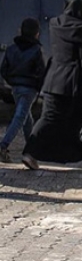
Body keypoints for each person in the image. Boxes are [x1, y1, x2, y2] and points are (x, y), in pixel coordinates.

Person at [22, 0, 82, 170]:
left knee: (48, 118)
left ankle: (30, 153)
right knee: (81, 120)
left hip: (53, 80)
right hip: (75, 85)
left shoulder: (54, 24)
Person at [0, 18, 46, 163]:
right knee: (20, 117)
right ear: (36, 33)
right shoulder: (36, 50)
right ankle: (3, 145)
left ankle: (30, 150)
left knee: (26, 119)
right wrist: (39, 89)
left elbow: (3, 69)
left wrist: (12, 82)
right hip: (29, 89)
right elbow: (41, 73)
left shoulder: (11, 49)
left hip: (15, 88)